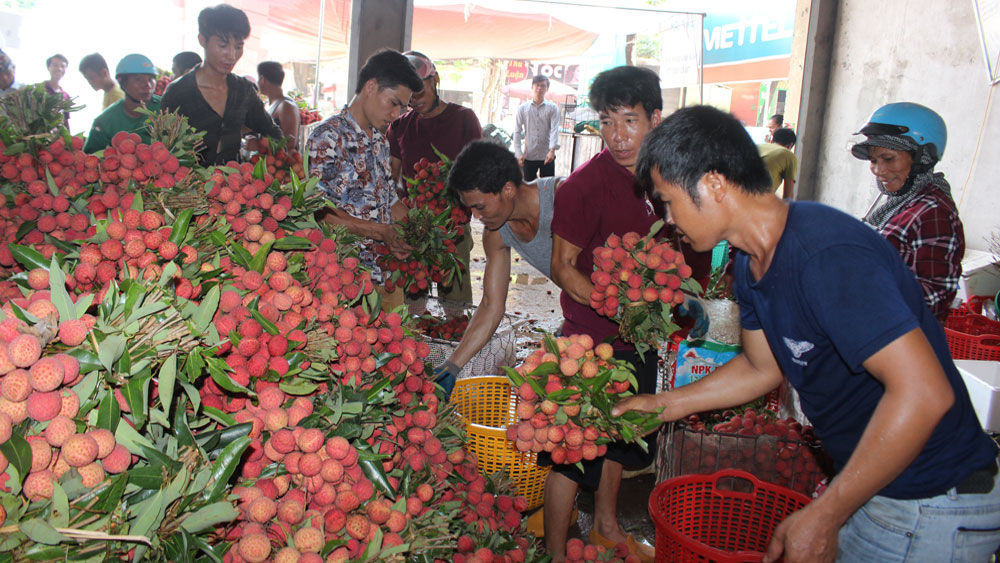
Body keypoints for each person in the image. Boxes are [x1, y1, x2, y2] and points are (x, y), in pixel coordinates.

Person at [614, 104, 1000, 563]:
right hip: (873, 484)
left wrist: (825, 513)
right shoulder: (751, 262)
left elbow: (924, 392)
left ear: (713, 183)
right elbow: (761, 367)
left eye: (668, 200)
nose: (668, 218)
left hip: (929, 499)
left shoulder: (823, 253)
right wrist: (662, 405)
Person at [547, 66, 710, 563]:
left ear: (655, 119)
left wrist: (687, 300)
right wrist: (616, 311)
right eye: (607, 121)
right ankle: (554, 552)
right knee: (570, 452)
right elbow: (562, 265)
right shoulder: (583, 186)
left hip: (644, 342)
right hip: (589, 344)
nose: (617, 136)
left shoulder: (674, 182)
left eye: (629, 121)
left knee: (621, 440)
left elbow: (694, 257)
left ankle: (606, 524)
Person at [434, 140, 560, 392]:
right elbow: (492, 306)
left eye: (479, 207)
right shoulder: (496, 233)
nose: (477, 217)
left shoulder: (563, 200)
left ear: (509, 189)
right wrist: (452, 366)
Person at [306, 49, 423, 312]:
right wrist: (382, 232)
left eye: (403, 107)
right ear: (371, 87)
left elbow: (390, 202)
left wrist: (423, 229)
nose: (397, 114)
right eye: (394, 103)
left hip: (386, 275)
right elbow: (321, 215)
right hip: (344, 279)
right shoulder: (327, 138)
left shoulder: (381, 141)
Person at [852, 102, 963, 324]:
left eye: (888, 158)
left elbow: (933, 300)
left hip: (898, 343)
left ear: (922, 159)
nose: (878, 170)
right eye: (874, 160)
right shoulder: (900, 206)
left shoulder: (933, 213)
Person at [387, 50, 482, 307]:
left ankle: (455, 343)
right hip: (413, 225)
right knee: (412, 308)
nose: (414, 101)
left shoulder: (464, 119)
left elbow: (476, 173)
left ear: (435, 80)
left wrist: (451, 188)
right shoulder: (399, 126)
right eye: (408, 97)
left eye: (419, 93)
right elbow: (390, 177)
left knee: (456, 306)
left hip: (454, 227)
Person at [161, 4, 283, 165]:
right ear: (202, 40)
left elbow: (273, 133)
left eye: (238, 47)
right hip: (189, 187)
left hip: (234, 186)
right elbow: (163, 152)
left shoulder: (243, 90)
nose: (232, 55)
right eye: (223, 45)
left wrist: (262, 148)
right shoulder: (178, 93)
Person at [84, 54, 161, 153]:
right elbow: (91, 159)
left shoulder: (166, 109)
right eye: (138, 79)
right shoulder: (104, 123)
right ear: (122, 82)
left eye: (151, 79)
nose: (148, 85)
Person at [513, 75, 560, 181]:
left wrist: (552, 150)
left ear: (547, 89)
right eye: (537, 85)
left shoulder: (552, 108)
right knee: (529, 187)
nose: (539, 88)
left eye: (543, 86)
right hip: (529, 155)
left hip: (547, 155)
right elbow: (517, 131)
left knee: (548, 187)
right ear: (532, 87)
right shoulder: (523, 109)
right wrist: (518, 153)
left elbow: (554, 130)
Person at [257, 61, 299, 141]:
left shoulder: (286, 106)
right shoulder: (266, 104)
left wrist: (258, 145)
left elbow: (289, 143)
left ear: (262, 79)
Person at [757, 127, 797, 199]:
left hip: (734, 197)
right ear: (790, 145)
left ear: (772, 139)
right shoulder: (789, 156)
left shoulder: (757, 146)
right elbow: (788, 195)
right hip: (759, 200)